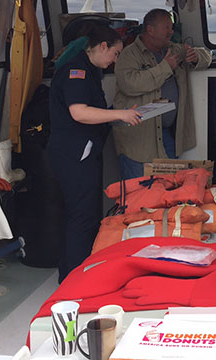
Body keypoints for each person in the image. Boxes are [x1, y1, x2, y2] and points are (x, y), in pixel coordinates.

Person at [47, 23, 142, 282]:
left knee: (84, 213)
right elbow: (79, 112)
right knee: (82, 217)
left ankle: (71, 274)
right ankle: (76, 280)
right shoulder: (75, 71)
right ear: (102, 46)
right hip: (73, 155)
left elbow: (93, 110)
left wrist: (121, 113)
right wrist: (120, 114)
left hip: (83, 152)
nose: (115, 60)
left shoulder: (90, 70)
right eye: (116, 53)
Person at [112, 8, 211, 179]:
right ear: (151, 30)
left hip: (166, 134)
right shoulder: (129, 54)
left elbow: (206, 56)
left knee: (168, 190)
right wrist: (165, 67)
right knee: (137, 194)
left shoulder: (172, 49)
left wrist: (197, 56)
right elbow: (130, 84)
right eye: (167, 27)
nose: (171, 32)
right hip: (139, 139)